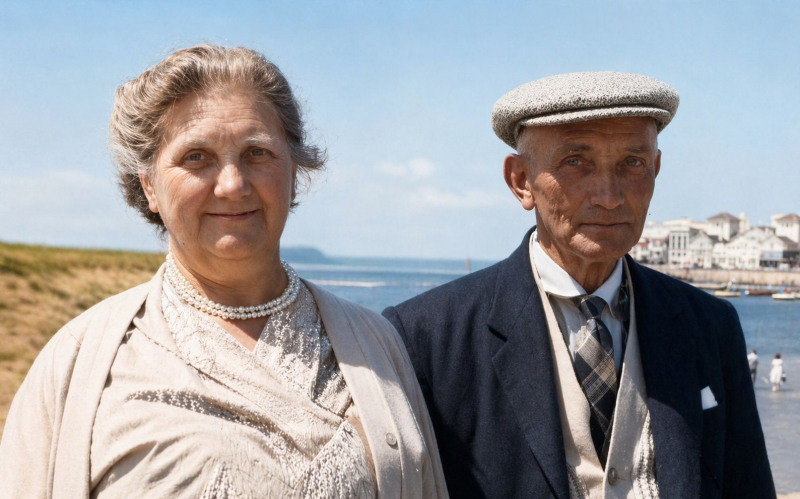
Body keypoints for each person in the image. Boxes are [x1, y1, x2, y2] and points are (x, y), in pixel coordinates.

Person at [0, 45, 447, 498]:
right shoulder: (80, 362)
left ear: (294, 171)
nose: (233, 184)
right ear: (149, 185)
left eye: (257, 153)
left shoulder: (375, 344)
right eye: (196, 157)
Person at [383, 72, 775, 498]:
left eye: (632, 163)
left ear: (656, 169)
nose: (609, 195)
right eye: (576, 162)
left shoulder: (711, 326)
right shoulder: (426, 338)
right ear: (520, 181)